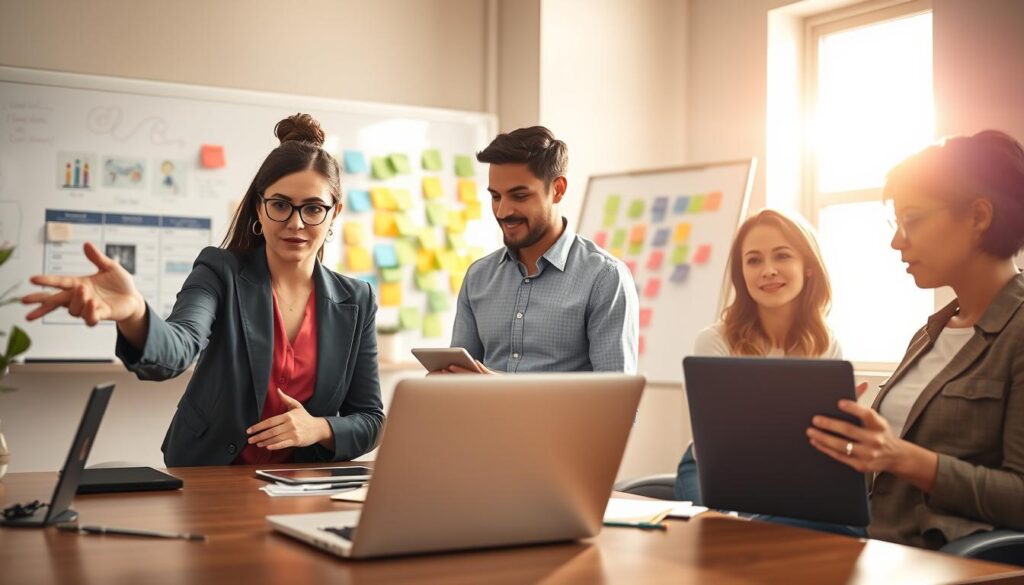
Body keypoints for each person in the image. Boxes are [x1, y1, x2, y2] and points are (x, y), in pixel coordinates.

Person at [23, 113, 384, 467]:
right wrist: (135, 313)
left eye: (313, 208)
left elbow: (369, 419)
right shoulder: (220, 271)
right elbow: (177, 349)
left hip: (300, 488)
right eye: (280, 205)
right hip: (210, 476)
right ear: (259, 208)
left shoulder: (357, 300)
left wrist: (319, 428)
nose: (296, 222)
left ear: (334, 212)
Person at [808, 130, 1024, 549]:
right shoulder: (932, 332)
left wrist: (899, 456)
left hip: (937, 556)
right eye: (897, 222)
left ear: (979, 217)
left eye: (913, 220)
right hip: (873, 539)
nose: (896, 241)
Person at [436, 126, 639, 374]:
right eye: (496, 197)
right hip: (487, 415)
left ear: (558, 190)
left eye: (519, 196)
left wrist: (504, 390)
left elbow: (615, 404)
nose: (502, 212)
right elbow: (458, 383)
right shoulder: (478, 277)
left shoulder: (604, 278)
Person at [676, 209, 842, 503]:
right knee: (724, 536)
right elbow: (717, 442)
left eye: (782, 256)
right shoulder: (714, 342)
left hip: (796, 472)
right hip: (712, 468)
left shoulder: (825, 343)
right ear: (742, 273)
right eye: (754, 260)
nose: (768, 270)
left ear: (808, 267)